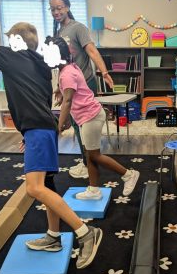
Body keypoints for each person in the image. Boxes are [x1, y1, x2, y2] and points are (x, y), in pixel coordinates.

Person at [0, 22, 102, 267]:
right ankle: (53, 237)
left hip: (38, 130)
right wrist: (29, 133)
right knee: (47, 186)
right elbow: (42, 100)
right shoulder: (40, 64)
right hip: (42, 129)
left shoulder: (10, 57)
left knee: (34, 188)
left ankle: (86, 232)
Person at [50, 36, 140, 200]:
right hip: (89, 115)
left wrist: (59, 125)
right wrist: (60, 91)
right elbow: (69, 93)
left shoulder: (66, 74)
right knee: (89, 154)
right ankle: (93, 190)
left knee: (94, 155)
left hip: (90, 116)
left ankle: (128, 174)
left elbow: (68, 101)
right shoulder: (70, 67)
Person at [49, 0, 113, 180]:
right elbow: (61, 64)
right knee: (78, 128)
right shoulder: (58, 32)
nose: (56, 12)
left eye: (59, 8)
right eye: (52, 9)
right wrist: (58, 88)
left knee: (84, 126)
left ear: (67, 7)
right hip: (70, 84)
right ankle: (87, 162)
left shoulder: (78, 28)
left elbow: (92, 51)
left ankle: (89, 163)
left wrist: (105, 72)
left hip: (83, 84)